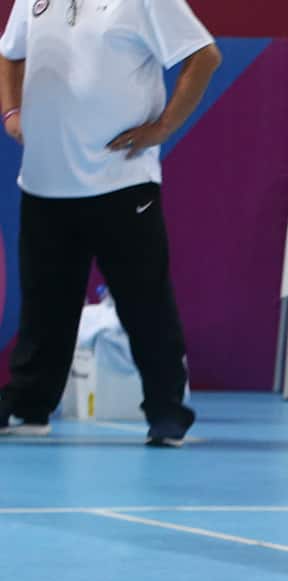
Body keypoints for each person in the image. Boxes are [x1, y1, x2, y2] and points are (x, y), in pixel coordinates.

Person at [0, 0, 220, 445]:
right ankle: (29, 406)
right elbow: (10, 52)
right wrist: (11, 112)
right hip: (45, 181)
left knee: (146, 306)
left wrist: (162, 127)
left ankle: (167, 413)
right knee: (44, 309)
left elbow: (204, 56)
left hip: (121, 183)